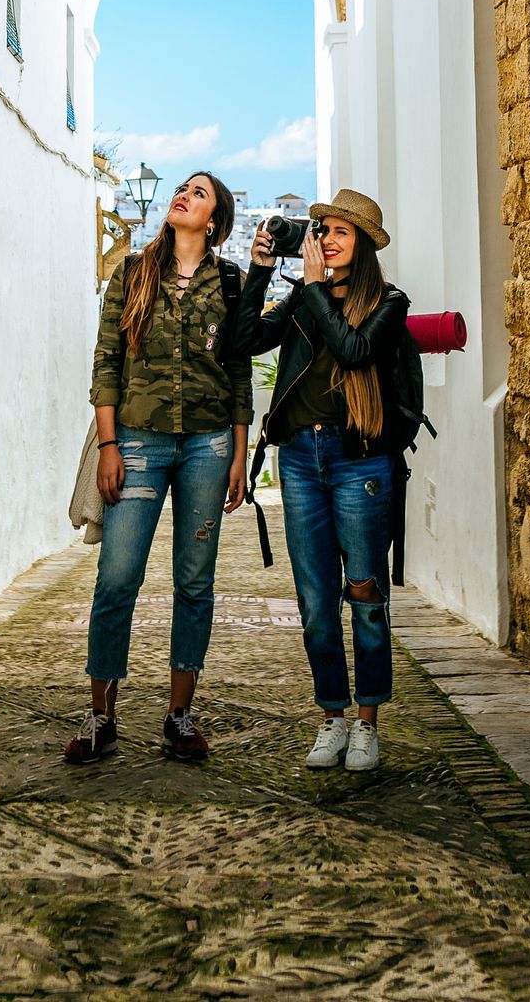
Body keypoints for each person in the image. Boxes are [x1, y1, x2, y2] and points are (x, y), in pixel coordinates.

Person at [65, 172, 251, 765]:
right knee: (117, 579)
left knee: (194, 583)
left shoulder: (232, 282)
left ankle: (179, 716)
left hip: (208, 445)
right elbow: (106, 359)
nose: (184, 196)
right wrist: (110, 445)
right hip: (139, 442)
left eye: (199, 194)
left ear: (214, 219)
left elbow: (240, 371)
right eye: (182, 189)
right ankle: (101, 716)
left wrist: (240, 452)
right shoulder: (133, 272)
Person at [235, 188, 408, 772]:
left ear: (361, 246)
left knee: (363, 592)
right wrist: (260, 273)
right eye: (322, 229)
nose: (326, 239)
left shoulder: (389, 301)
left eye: (340, 232)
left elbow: (356, 352)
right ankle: (332, 716)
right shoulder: (304, 300)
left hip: (360, 462)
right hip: (301, 462)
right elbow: (245, 342)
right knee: (314, 602)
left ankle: (367, 723)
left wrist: (310, 290)